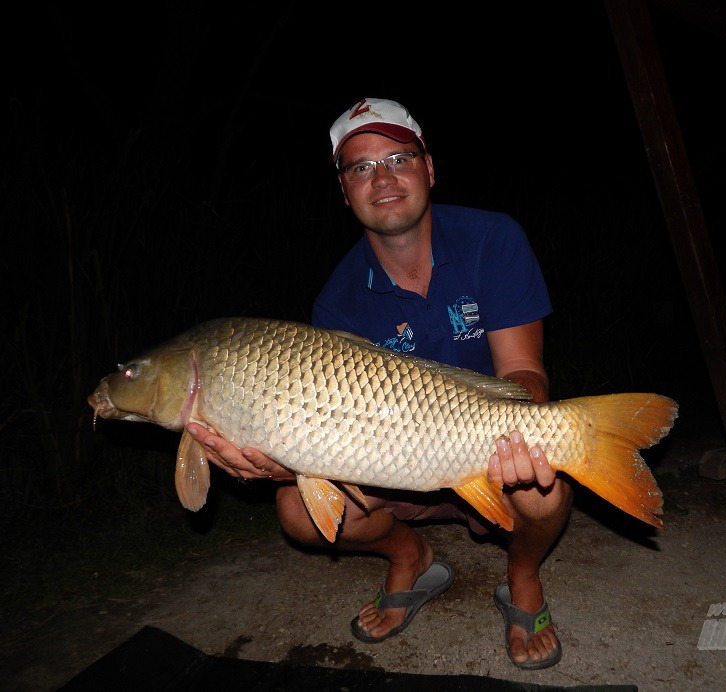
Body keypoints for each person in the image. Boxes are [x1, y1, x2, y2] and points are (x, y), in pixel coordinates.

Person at [186, 97, 572, 670]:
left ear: (429, 168)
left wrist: (520, 435)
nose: (383, 178)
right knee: (298, 511)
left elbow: (523, 372)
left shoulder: (494, 239)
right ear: (344, 190)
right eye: (361, 167)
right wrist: (288, 464)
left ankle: (521, 576)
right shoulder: (337, 301)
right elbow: (325, 430)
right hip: (392, 464)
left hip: (483, 449)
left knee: (547, 490)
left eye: (398, 157)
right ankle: (409, 554)